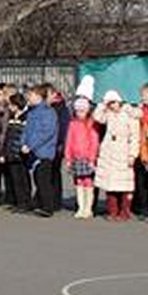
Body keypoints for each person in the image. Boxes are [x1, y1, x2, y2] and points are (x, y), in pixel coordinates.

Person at [93, 91, 138, 220]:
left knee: (125, 184)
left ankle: (125, 211)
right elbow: (98, 117)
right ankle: (112, 211)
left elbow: (135, 137)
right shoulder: (109, 113)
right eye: (110, 103)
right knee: (109, 183)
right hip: (109, 149)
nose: (112, 106)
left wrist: (132, 155)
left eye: (113, 102)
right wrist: (102, 104)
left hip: (124, 149)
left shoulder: (129, 114)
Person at [22, 87, 62, 217]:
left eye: (31, 96)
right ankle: (39, 202)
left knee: (43, 179)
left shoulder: (48, 112)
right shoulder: (31, 112)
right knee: (37, 179)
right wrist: (23, 143)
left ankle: (47, 206)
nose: (28, 98)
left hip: (44, 151)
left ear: (39, 96)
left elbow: (47, 133)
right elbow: (26, 130)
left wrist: (31, 145)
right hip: (32, 151)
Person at [62, 96, 101, 218]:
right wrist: (68, 158)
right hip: (75, 158)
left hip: (87, 158)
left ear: (88, 111)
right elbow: (69, 142)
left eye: (82, 111)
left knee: (88, 181)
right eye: (78, 111)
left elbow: (94, 142)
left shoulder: (92, 124)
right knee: (78, 182)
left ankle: (88, 208)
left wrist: (92, 159)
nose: (80, 114)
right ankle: (80, 207)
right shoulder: (73, 124)